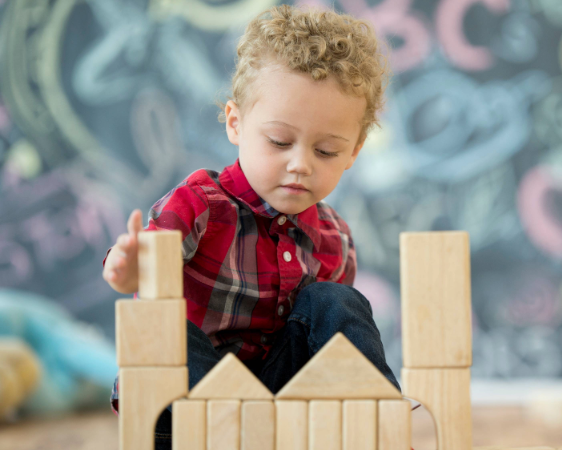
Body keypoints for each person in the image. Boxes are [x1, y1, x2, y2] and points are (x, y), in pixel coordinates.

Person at [101, 5, 396, 448]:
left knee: (335, 300)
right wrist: (128, 270)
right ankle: (240, 428)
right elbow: (141, 277)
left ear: (353, 152)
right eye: (279, 142)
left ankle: (374, 423)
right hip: (186, 407)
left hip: (274, 409)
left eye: (327, 152)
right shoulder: (199, 204)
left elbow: (321, 345)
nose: (300, 165)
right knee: (161, 328)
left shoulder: (334, 239)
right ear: (236, 123)